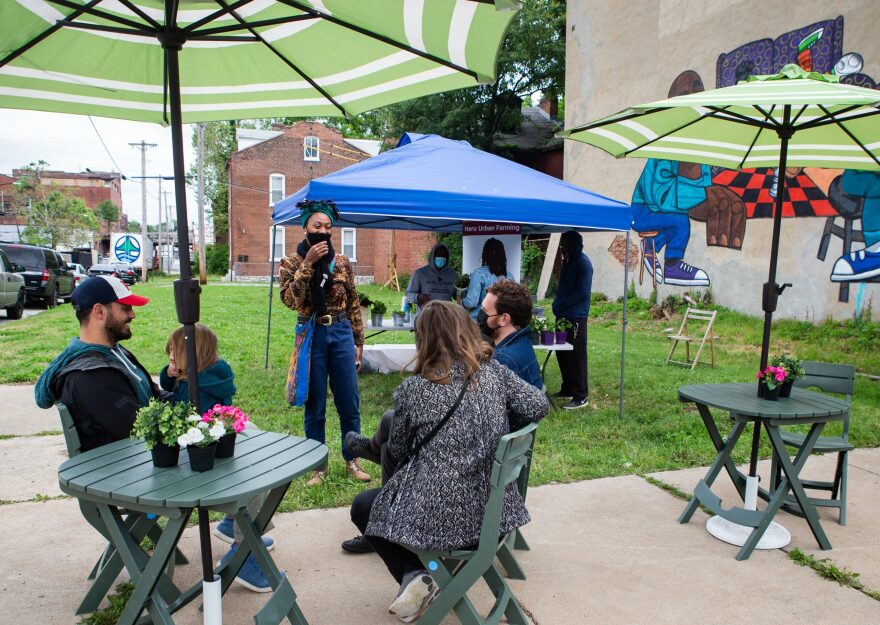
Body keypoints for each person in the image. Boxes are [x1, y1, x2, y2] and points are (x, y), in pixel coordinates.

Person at [348, 301, 548, 622]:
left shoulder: (414, 390)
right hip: (494, 521)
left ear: (423, 339)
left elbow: (397, 451)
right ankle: (421, 576)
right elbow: (538, 405)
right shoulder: (494, 373)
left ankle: (416, 573)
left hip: (442, 528)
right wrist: (495, 426)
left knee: (363, 506)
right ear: (466, 330)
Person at [159, 322, 277, 592]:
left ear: (193, 354)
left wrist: (180, 381)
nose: (170, 360)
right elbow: (168, 384)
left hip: (212, 445)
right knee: (260, 472)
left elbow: (202, 421)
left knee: (258, 476)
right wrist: (170, 373)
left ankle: (242, 547)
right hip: (209, 444)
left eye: (174, 354)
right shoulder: (197, 374)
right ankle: (237, 529)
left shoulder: (200, 385)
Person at [279, 199, 370, 485]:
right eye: (317, 225)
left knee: (348, 400)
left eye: (328, 227)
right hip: (313, 334)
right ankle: (318, 466)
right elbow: (291, 301)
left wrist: (358, 339)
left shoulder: (341, 262)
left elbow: (353, 301)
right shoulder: (292, 262)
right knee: (315, 403)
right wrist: (307, 265)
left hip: (341, 330)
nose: (323, 231)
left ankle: (352, 459)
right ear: (305, 226)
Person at [34, 275, 165, 451]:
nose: (132, 314)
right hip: (120, 469)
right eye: (125, 308)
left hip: (137, 458)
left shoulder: (114, 352)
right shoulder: (90, 376)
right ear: (99, 311)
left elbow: (154, 396)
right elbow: (142, 427)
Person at [552, 230, 593, 410]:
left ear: (574, 244)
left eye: (565, 245)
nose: (562, 249)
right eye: (562, 245)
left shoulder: (583, 264)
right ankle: (567, 387)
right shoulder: (567, 261)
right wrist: (557, 303)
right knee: (562, 351)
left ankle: (580, 395)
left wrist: (564, 304)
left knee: (576, 354)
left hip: (576, 315)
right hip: (562, 314)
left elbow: (582, 293)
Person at [478, 279, 542, 390]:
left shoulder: (503, 360)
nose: (480, 315)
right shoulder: (522, 341)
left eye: (484, 311)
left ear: (504, 319)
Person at [159, 323, 235, 414]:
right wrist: (169, 373)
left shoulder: (192, 388)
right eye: (171, 349)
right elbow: (167, 386)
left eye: (178, 352)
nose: (171, 357)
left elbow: (195, 421)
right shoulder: (209, 369)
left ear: (197, 354)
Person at [461, 237, 513, 319]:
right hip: (502, 321)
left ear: (485, 254)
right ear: (503, 255)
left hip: (480, 322)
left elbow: (471, 303)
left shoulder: (479, 274)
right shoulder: (510, 276)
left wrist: (461, 301)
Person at [405, 242, 457, 311]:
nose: (441, 257)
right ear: (433, 256)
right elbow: (409, 293)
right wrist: (418, 297)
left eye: (444, 256)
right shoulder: (420, 273)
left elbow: (458, 295)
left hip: (446, 316)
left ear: (447, 258)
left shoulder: (453, 275)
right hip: (425, 315)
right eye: (439, 255)